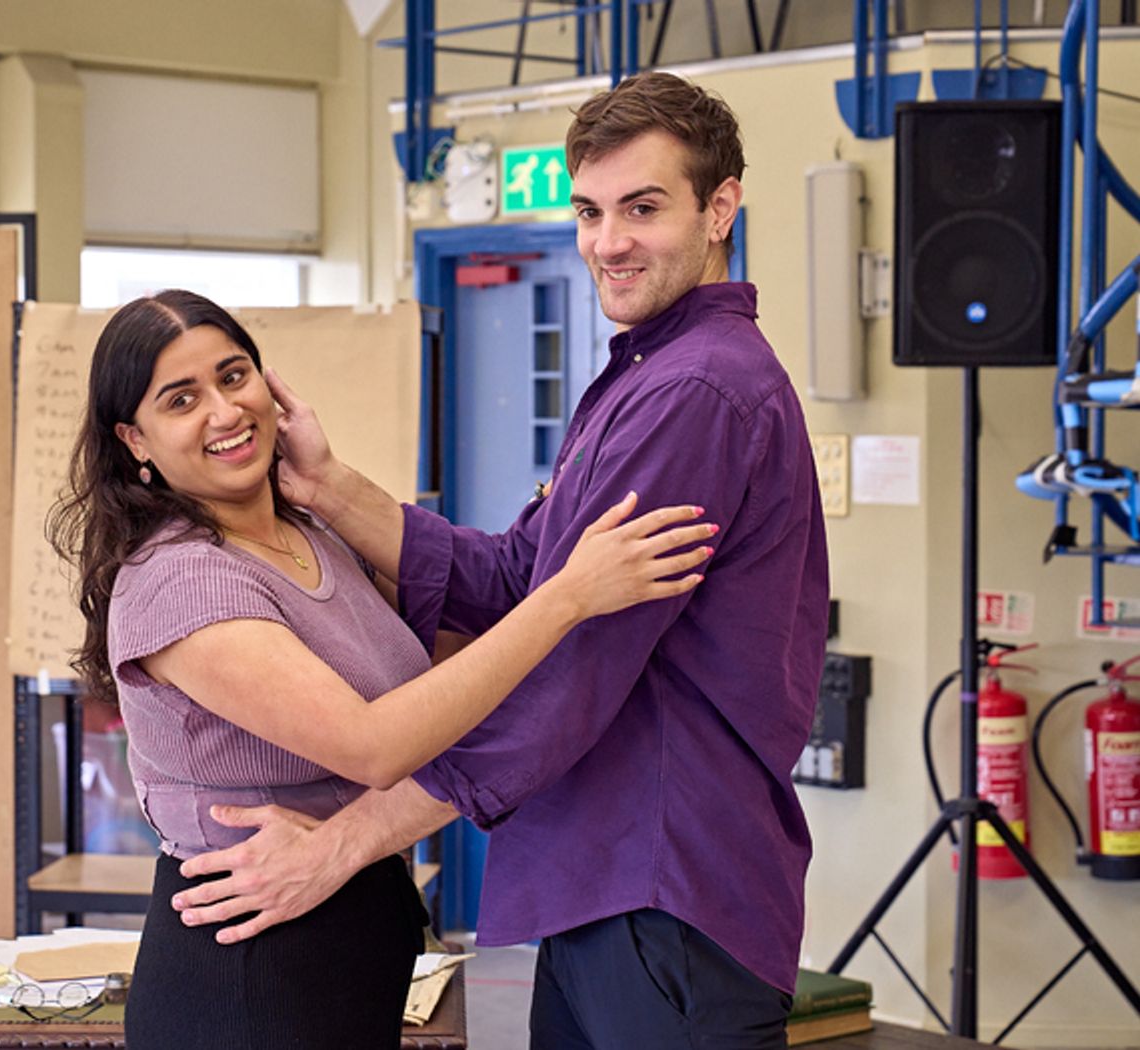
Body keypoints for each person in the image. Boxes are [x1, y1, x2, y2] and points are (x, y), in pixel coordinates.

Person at [169, 72, 830, 1049]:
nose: (607, 242)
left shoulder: (696, 392)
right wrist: (327, 490)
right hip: (592, 884)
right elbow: (527, 583)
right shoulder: (644, 372)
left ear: (719, 206)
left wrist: (342, 844)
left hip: (657, 888)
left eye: (641, 209)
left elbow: (563, 671)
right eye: (589, 211)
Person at [47, 288, 715, 1050]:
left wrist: (555, 553)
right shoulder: (182, 580)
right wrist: (567, 596)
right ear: (135, 438)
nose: (225, 412)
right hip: (248, 975)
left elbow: (449, 677)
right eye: (182, 399)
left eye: (235, 377)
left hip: (350, 942)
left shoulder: (311, 534)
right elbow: (375, 744)